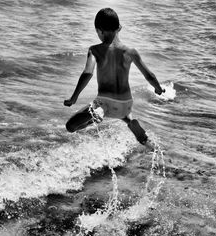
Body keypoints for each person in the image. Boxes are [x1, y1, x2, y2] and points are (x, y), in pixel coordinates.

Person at [64, 8, 164, 146]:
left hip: (105, 103)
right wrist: (158, 89)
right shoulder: (130, 51)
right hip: (126, 104)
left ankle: (98, 114)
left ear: (99, 31)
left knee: (71, 126)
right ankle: (131, 122)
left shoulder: (95, 50)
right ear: (119, 28)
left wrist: (74, 97)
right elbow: (149, 75)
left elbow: (88, 73)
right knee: (122, 113)